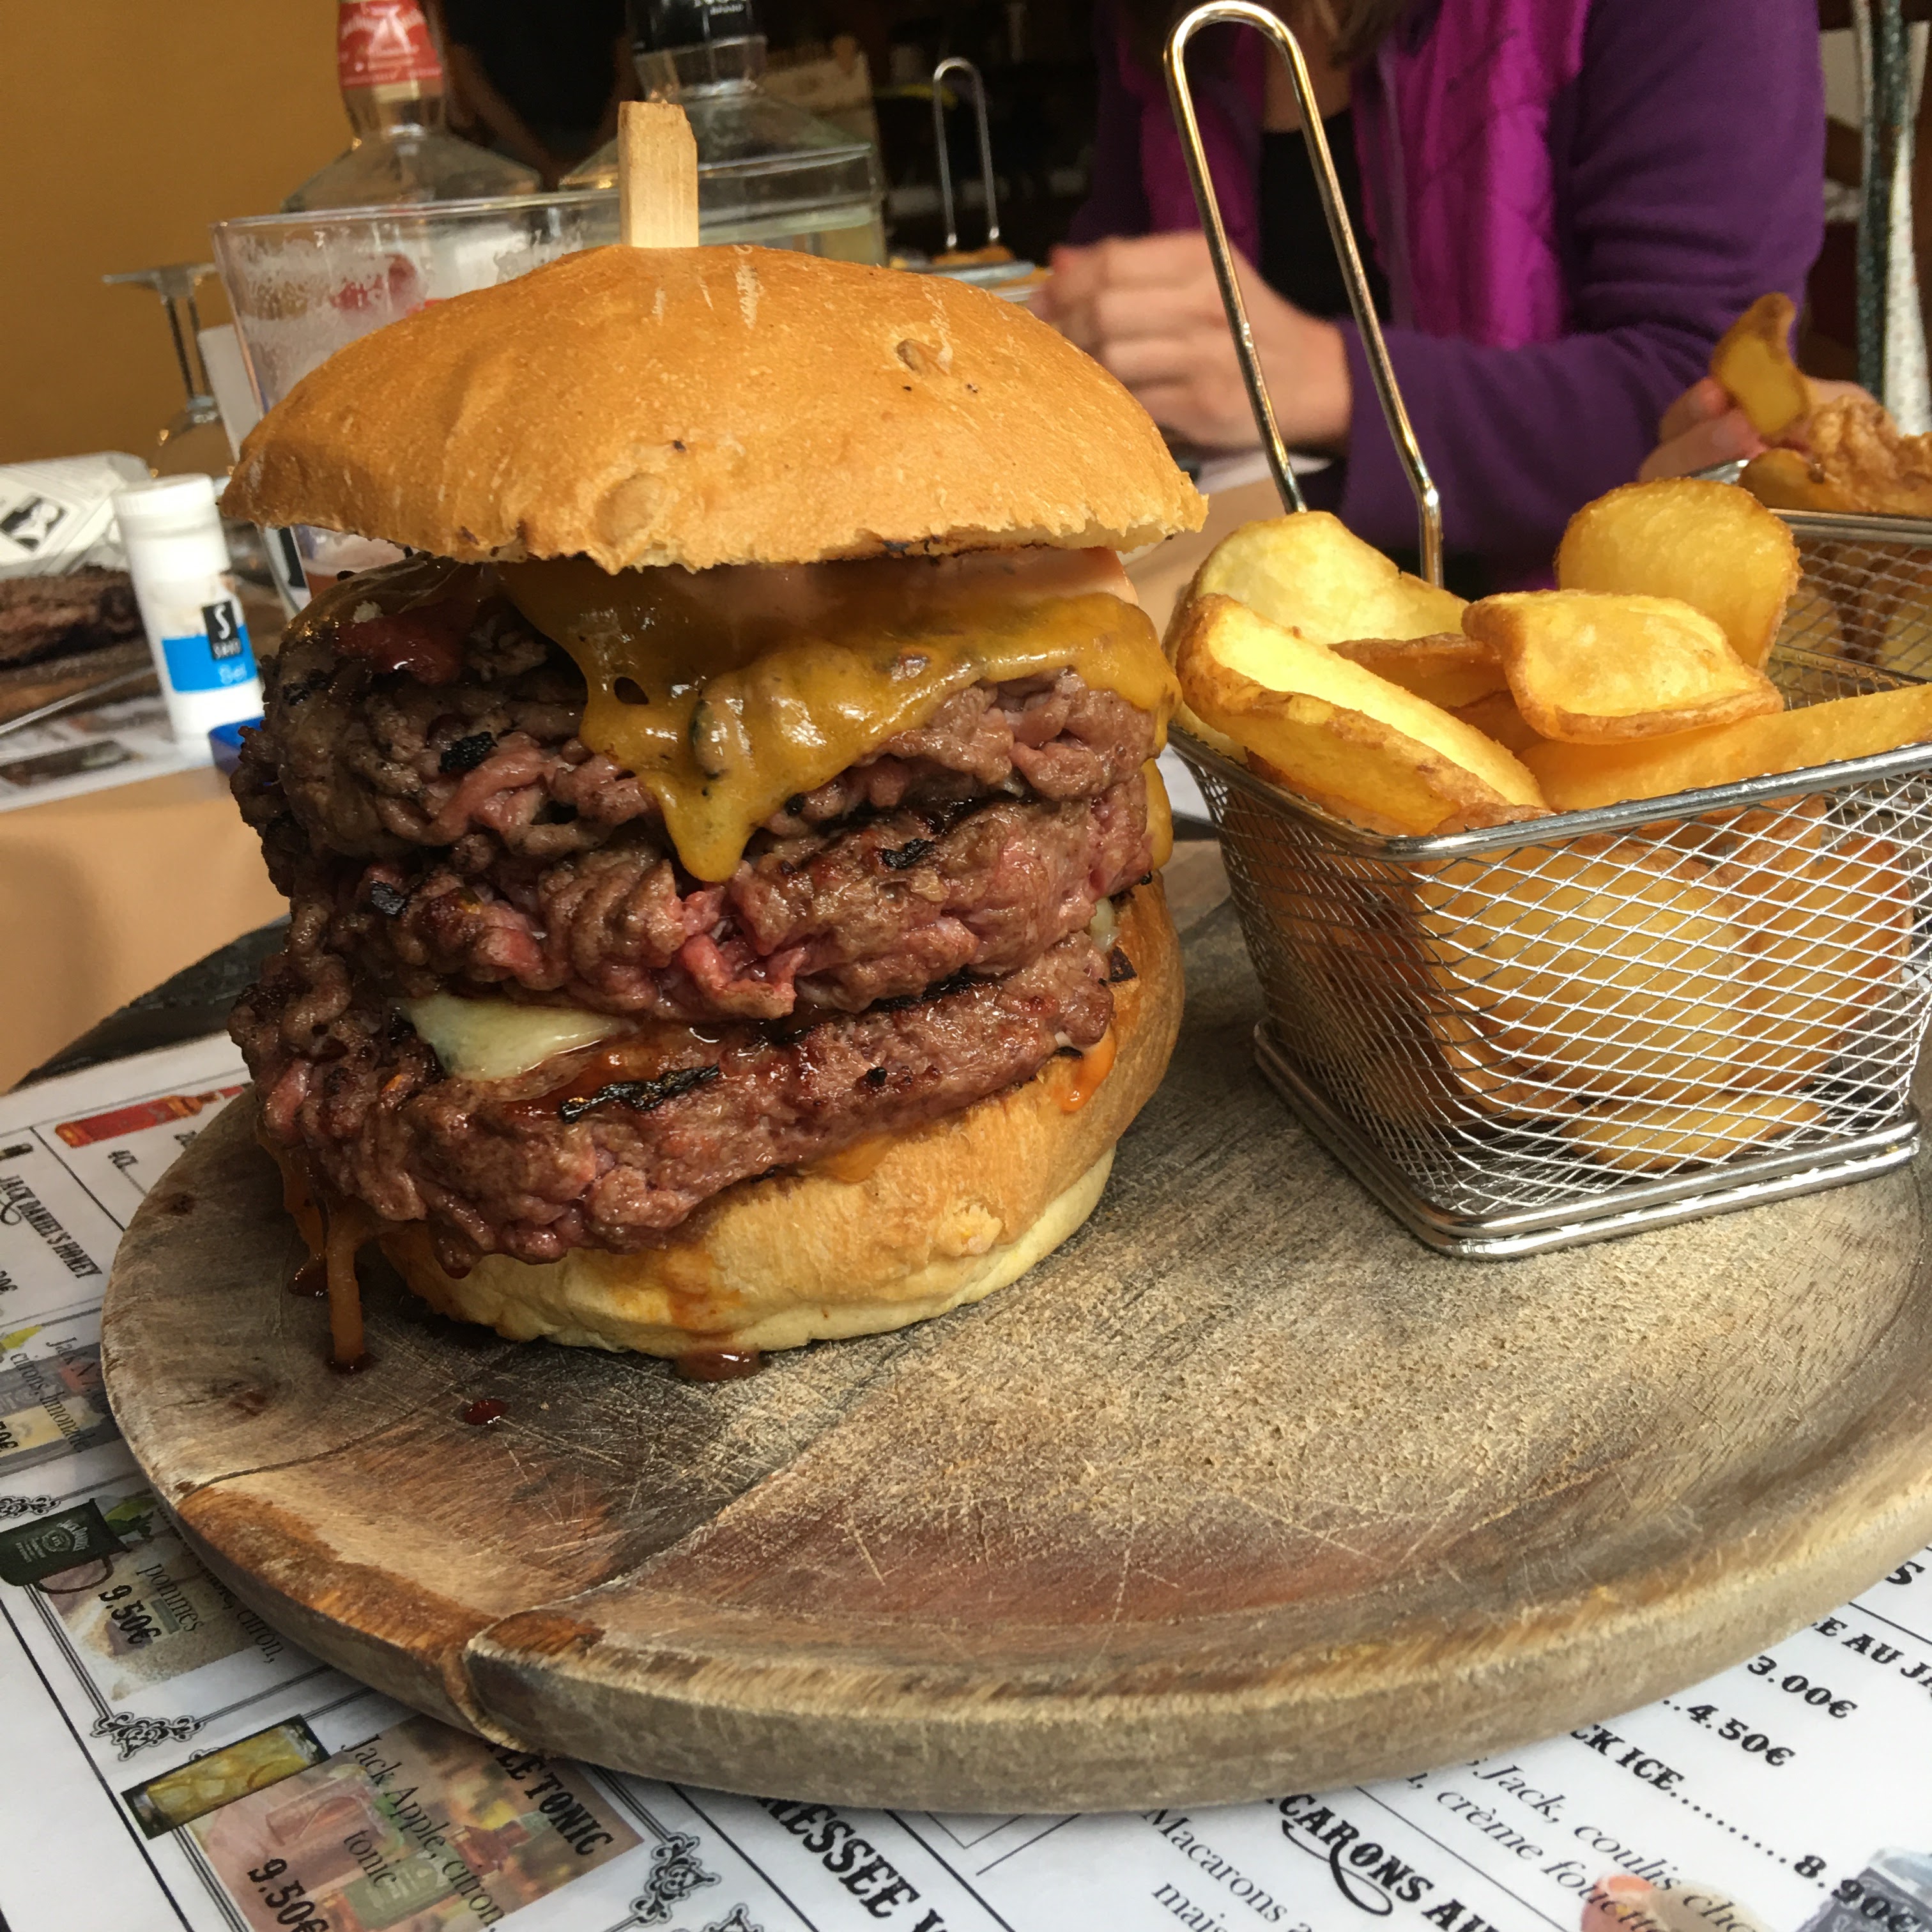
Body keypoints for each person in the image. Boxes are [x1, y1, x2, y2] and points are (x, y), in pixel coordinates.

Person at [1035, 0, 1825, 586]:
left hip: (1565, 656)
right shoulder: (1164, 24)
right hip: (1242, 616)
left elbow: (1702, 412)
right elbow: (1118, 262)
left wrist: (1334, 382)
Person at [434, 0, 633, 185]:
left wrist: (590, 159)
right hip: (515, 150)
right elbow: (468, 74)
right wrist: (577, 163)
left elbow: (631, 66)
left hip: (596, 141)